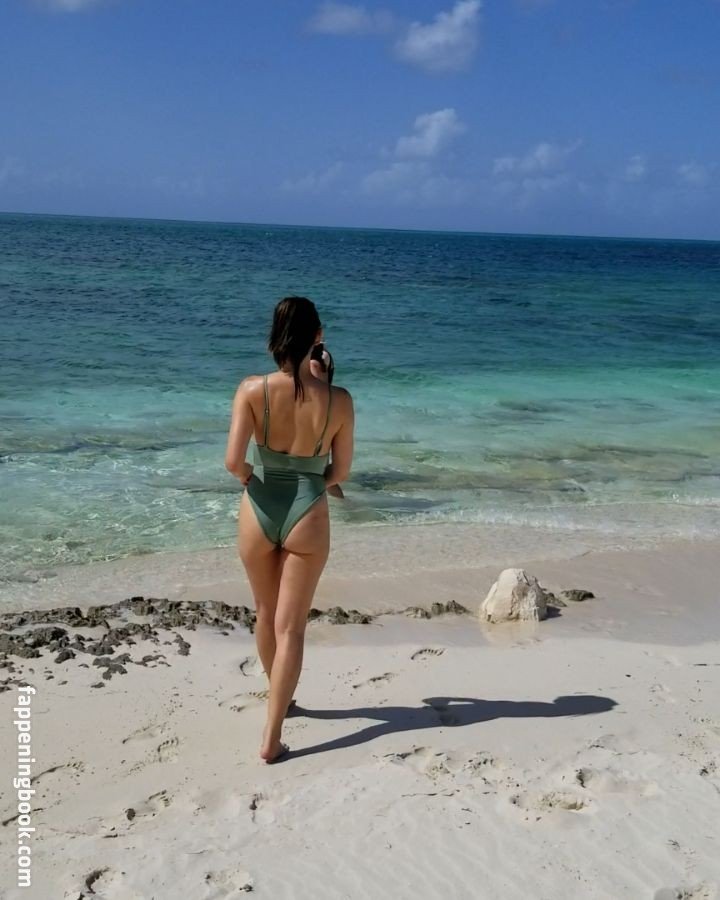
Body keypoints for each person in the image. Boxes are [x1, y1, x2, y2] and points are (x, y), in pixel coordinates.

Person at [225, 296, 355, 763]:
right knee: (292, 627)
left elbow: (233, 462)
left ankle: (279, 697)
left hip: (259, 505)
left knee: (265, 613)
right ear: (317, 335)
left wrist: (252, 480)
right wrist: (312, 480)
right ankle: (272, 734)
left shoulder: (251, 390)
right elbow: (341, 472)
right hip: (309, 508)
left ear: (274, 336)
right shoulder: (339, 400)